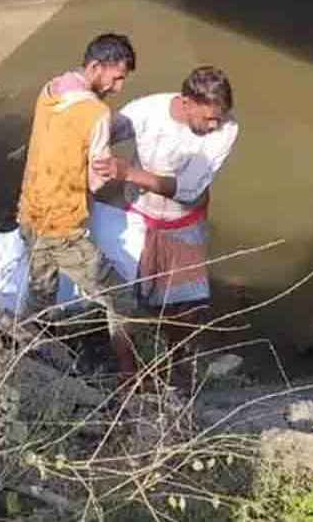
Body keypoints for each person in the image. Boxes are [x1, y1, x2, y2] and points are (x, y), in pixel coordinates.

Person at [93, 65, 238, 388]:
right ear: (186, 103)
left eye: (219, 118)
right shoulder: (147, 111)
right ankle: (128, 374)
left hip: (182, 224)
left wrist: (127, 173)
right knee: (122, 298)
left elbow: (188, 189)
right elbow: (100, 134)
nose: (214, 125)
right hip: (136, 216)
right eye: (208, 118)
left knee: (186, 309)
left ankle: (178, 370)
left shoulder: (227, 129)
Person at [17, 33, 140, 382]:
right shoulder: (97, 113)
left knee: (41, 293)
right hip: (63, 226)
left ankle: (25, 358)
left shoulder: (49, 91)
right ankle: (130, 378)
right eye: (116, 78)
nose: (118, 87)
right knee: (121, 298)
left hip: (30, 213)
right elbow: (97, 180)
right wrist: (121, 173)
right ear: (96, 67)